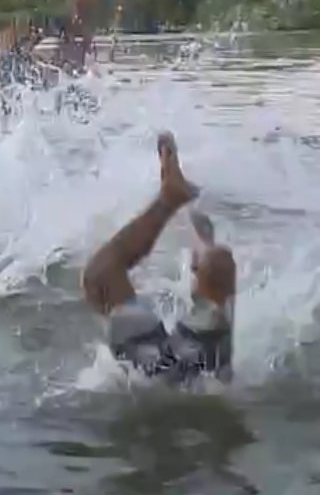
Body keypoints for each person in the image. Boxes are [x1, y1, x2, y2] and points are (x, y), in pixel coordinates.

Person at [82, 131, 236, 385]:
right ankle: (182, 208)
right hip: (179, 371)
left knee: (99, 277)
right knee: (217, 263)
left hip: (163, 374)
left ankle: (173, 201)